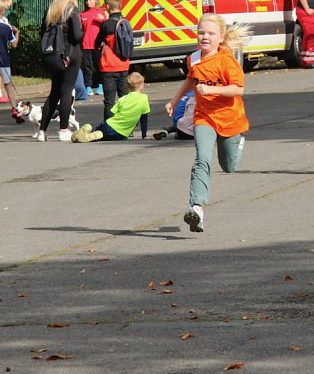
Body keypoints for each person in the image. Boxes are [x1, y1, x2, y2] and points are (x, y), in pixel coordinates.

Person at [166, 14, 252, 233]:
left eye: (211, 34)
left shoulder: (227, 61)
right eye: (201, 32)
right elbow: (190, 80)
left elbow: (238, 89)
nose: (205, 37)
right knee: (202, 159)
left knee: (229, 166)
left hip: (230, 119)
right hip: (204, 117)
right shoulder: (193, 59)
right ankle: (197, 208)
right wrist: (174, 101)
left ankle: (238, 144)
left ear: (221, 37)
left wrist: (211, 89)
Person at [38, 0, 83, 142]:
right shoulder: (73, 11)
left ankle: (42, 131)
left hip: (53, 55)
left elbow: (42, 32)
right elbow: (77, 36)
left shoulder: (51, 10)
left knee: (54, 92)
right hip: (70, 55)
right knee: (66, 91)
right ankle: (63, 130)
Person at [71, 72, 150, 142]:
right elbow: (144, 119)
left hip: (108, 125)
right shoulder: (144, 98)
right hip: (121, 133)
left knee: (101, 129)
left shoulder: (122, 99)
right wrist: (144, 135)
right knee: (108, 136)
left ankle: (91, 129)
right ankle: (95, 136)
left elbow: (111, 113)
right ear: (141, 86)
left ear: (128, 87)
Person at [94, 0, 131, 120]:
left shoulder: (106, 25)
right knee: (124, 98)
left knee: (109, 100)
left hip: (109, 67)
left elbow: (97, 43)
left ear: (108, 6)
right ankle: (127, 127)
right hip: (124, 65)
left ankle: (110, 127)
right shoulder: (126, 22)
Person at [80, 0, 106, 96]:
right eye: (86, 0)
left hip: (97, 44)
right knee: (87, 66)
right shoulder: (82, 14)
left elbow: (106, 28)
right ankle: (88, 87)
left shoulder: (101, 13)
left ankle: (101, 85)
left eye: (90, 0)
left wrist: (104, 41)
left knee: (99, 65)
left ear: (96, 0)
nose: (88, 2)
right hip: (86, 45)